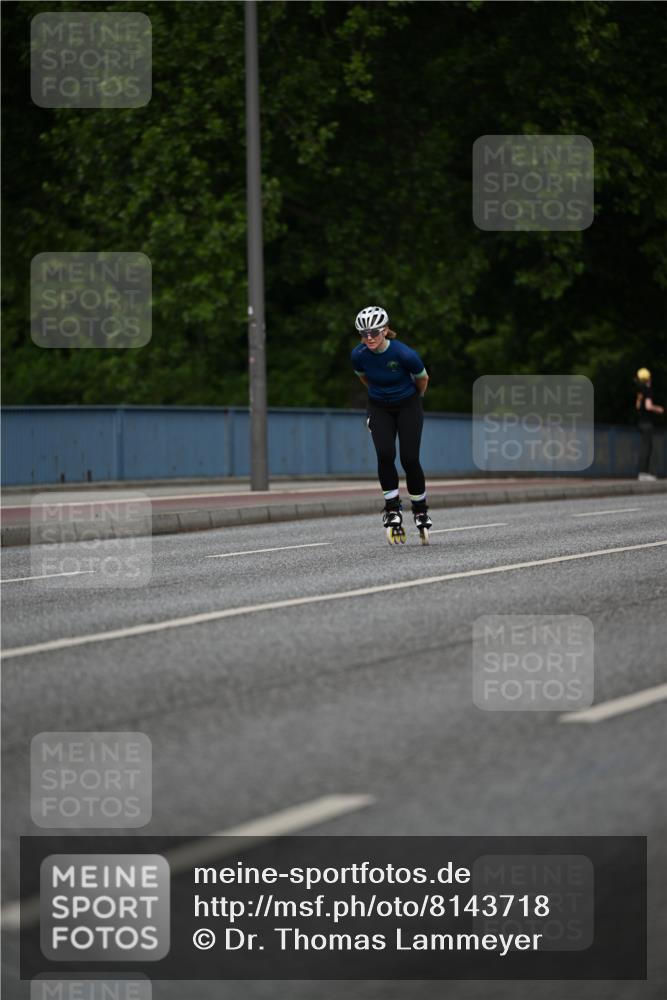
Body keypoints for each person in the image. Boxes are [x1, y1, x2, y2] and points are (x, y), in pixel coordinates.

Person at [351, 305, 432, 543]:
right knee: (385, 454)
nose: (369, 338)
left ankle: (420, 509)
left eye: (374, 333)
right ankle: (392, 508)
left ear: (385, 330)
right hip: (379, 407)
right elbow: (364, 378)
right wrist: (381, 395)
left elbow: (423, 379)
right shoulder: (358, 355)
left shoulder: (404, 354)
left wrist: (411, 399)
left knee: (409, 459)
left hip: (408, 405)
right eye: (363, 333)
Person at [634, 367, 664, 480]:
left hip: (640, 421)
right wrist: (659, 409)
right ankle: (644, 473)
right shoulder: (647, 390)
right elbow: (648, 406)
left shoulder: (639, 391)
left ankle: (643, 472)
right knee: (647, 447)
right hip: (647, 422)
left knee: (644, 447)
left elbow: (637, 406)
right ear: (647, 378)